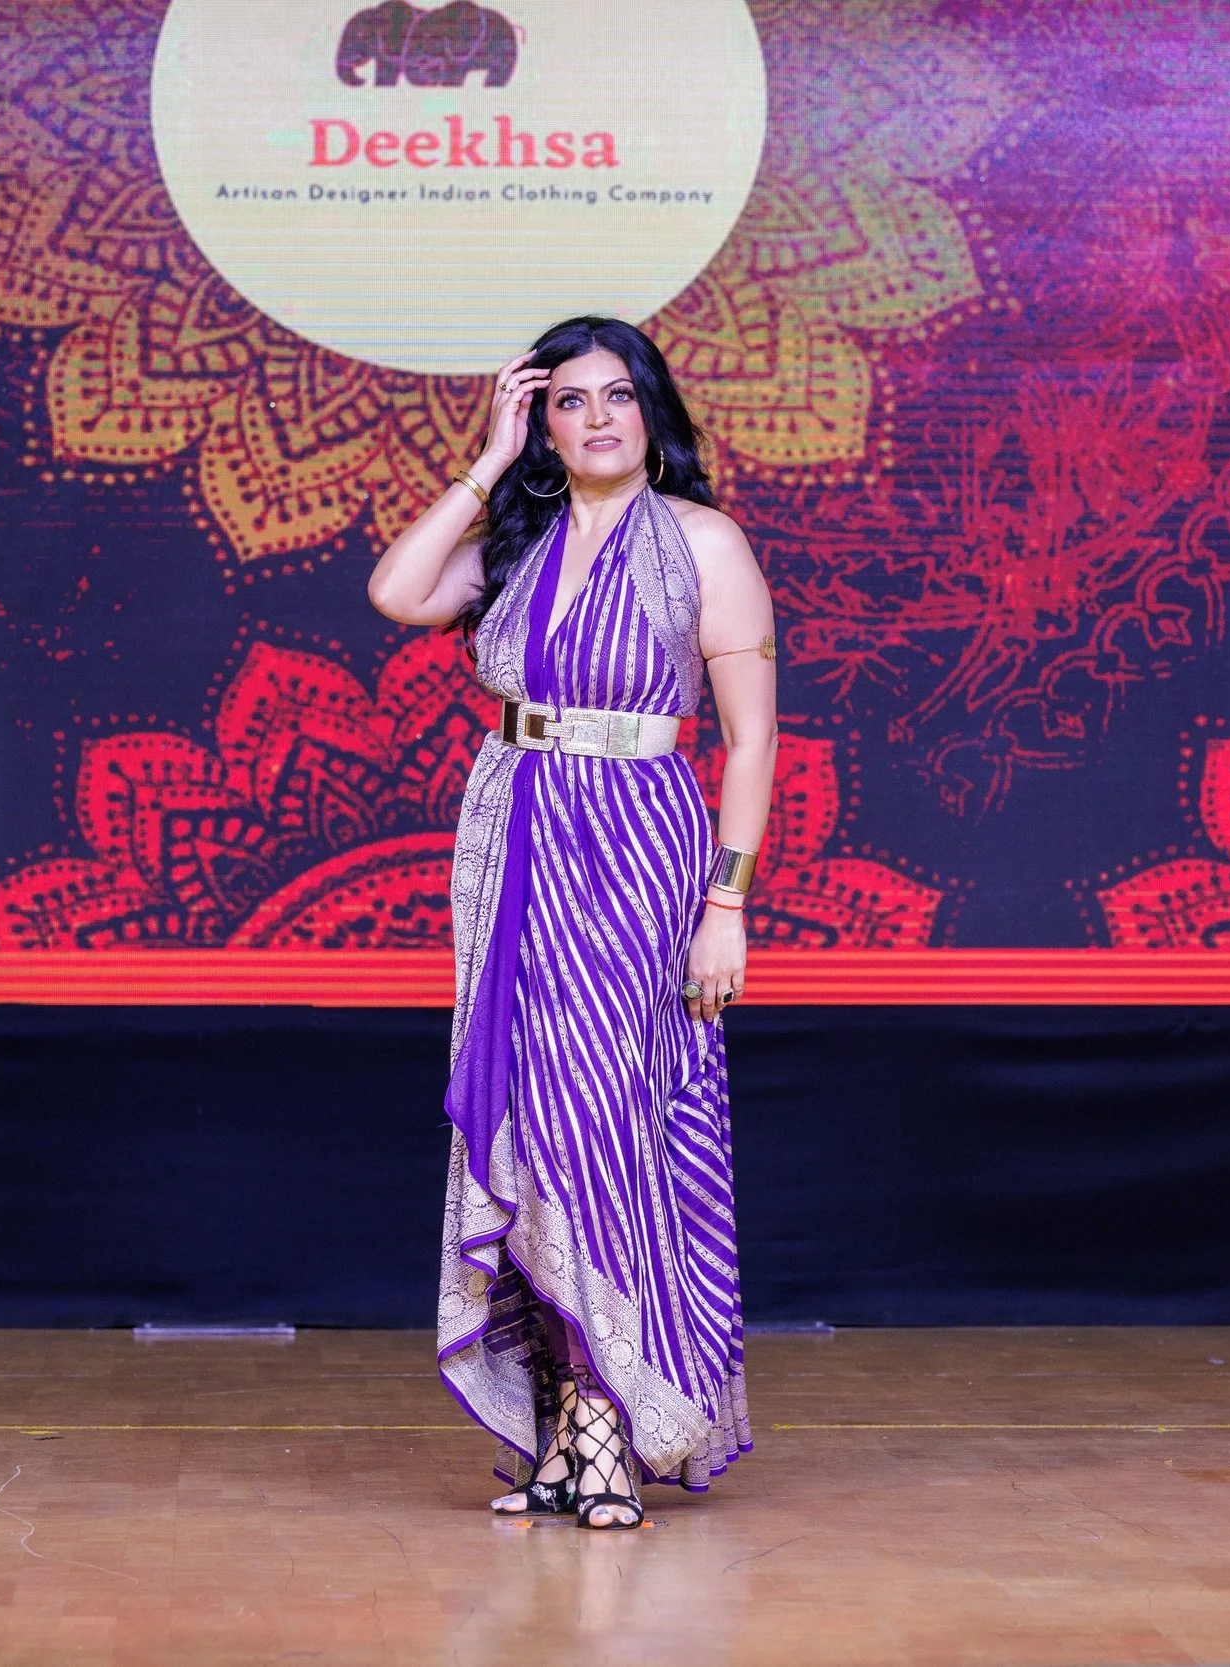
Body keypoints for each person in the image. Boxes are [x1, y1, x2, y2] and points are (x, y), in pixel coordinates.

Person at [368, 315, 776, 1530]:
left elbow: (752, 737)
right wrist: (486, 463)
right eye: (567, 402)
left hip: (636, 846)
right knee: (525, 1126)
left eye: (618, 396)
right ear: (543, 421)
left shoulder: (705, 541)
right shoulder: (519, 537)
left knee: (602, 1124)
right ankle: (567, 1435)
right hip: (508, 838)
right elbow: (396, 592)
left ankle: (607, 1422)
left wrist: (727, 906)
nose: (595, 418)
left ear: (653, 411)